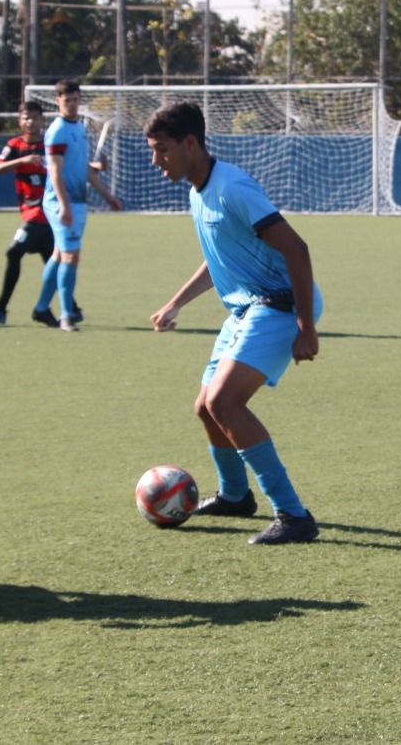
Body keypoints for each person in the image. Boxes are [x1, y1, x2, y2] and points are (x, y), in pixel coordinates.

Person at [145, 100, 321, 545]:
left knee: (226, 403)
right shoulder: (197, 191)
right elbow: (218, 258)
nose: (155, 161)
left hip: (280, 306)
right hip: (246, 309)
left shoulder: (232, 188)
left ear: (190, 143)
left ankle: (293, 515)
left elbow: (296, 250)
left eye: (162, 150)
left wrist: (305, 327)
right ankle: (236, 496)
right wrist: (175, 303)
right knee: (205, 407)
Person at [0, 101, 77, 325]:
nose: (30, 121)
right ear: (19, 121)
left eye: (34, 117)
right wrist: (24, 160)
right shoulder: (14, 145)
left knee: (14, 252)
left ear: (42, 120)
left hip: (42, 214)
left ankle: (0, 309)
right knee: (55, 259)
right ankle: (72, 308)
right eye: (25, 117)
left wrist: (94, 167)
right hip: (32, 212)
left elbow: (70, 165)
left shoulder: (49, 144)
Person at [31, 79, 122, 331]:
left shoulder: (79, 129)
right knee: (71, 255)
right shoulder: (57, 131)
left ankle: (40, 308)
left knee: (60, 254)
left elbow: (81, 168)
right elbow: (56, 171)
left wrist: (107, 195)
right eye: (66, 100)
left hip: (78, 201)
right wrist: (64, 205)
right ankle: (66, 315)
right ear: (57, 101)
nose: (71, 104)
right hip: (61, 202)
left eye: (74, 99)